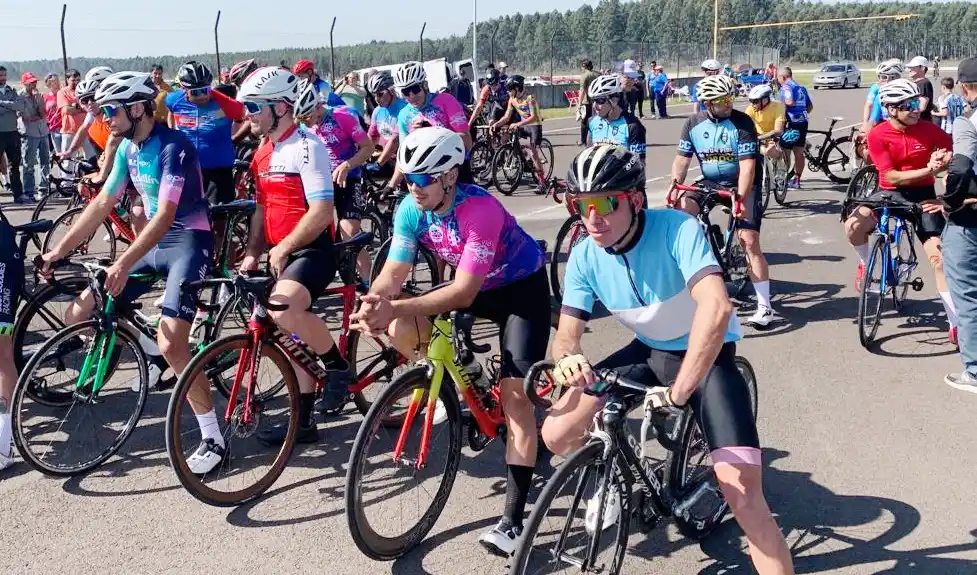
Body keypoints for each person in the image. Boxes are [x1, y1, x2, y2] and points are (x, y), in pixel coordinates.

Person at [545, 143, 795, 575]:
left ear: (636, 200)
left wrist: (679, 394)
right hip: (649, 349)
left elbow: (716, 310)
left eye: (606, 202)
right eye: (580, 205)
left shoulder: (677, 229)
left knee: (743, 498)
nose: (592, 217)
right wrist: (568, 360)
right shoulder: (585, 253)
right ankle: (610, 476)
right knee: (557, 431)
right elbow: (567, 336)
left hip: (706, 357)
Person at [351, 126, 549, 555]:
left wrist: (398, 306)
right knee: (402, 327)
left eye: (422, 180)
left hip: (519, 291)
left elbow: (463, 293)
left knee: (515, 400)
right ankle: (465, 382)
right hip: (471, 287)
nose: (413, 187)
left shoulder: (481, 210)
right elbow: (395, 272)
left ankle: (513, 524)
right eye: (408, 177)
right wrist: (376, 301)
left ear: (450, 176)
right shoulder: (411, 207)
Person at [39, 71, 225, 474]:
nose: (105, 118)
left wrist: (122, 261)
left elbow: (164, 216)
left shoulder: (173, 148)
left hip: (188, 244)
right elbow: (102, 204)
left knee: (176, 342)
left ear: (137, 108)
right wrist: (58, 251)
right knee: (90, 303)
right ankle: (150, 349)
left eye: (111, 109)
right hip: (158, 244)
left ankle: (213, 435)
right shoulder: (125, 148)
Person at [235, 66, 353, 434]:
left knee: (284, 308)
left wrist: (285, 246)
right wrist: (253, 252)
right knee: (288, 335)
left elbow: (320, 212)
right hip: (277, 252)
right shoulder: (262, 153)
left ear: (282, 107)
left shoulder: (308, 146)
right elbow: (260, 210)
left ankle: (337, 368)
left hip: (312, 251)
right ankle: (302, 421)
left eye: (255, 106)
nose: (248, 114)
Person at [844, 79, 956, 342]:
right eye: (910, 105)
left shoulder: (930, 130)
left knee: (939, 258)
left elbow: (952, 149)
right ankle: (866, 261)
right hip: (889, 191)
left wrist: (945, 159)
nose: (917, 109)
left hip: (922, 194)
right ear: (892, 109)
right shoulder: (878, 134)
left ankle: (955, 324)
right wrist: (930, 169)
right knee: (852, 226)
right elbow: (892, 177)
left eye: (918, 103)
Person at [671, 74, 782, 327]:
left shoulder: (742, 123)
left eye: (731, 97)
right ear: (708, 103)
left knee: (749, 241)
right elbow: (682, 160)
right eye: (722, 100)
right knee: (681, 214)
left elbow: (747, 168)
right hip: (710, 181)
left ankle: (765, 307)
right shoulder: (692, 124)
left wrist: (740, 199)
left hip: (742, 182)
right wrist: (675, 186)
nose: (729, 103)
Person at [294, 79, 375, 284]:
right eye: (300, 118)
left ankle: (371, 284)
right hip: (322, 184)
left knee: (349, 234)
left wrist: (347, 165)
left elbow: (368, 148)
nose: (304, 122)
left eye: (306, 116)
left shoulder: (343, 116)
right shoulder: (303, 126)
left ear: (317, 106)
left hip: (349, 180)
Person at [941, 58, 977, 390]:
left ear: (965, 88)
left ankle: (974, 371)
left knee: (967, 294)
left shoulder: (968, 120)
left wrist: (949, 203)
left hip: (970, 218)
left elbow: (963, 167)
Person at [166, 61, 247, 205]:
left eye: (205, 90)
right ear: (184, 89)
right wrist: (172, 133)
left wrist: (234, 138)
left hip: (219, 170)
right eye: (196, 92)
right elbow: (171, 112)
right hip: (189, 169)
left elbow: (243, 115)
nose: (202, 96)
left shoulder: (223, 102)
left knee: (218, 217)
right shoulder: (174, 100)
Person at [389, 61, 472, 188]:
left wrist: (433, 133)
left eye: (415, 89)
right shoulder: (404, 115)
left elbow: (467, 141)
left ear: (425, 85)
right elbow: (403, 156)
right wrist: (391, 185)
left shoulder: (446, 101)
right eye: (406, 92)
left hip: (455, 169)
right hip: (427, 177)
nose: (411, 96)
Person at [490, 75, 546, 187]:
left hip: (535, 125)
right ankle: (518, 154)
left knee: (534, 153)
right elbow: (506, 117)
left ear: (517, 88)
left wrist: (518, 124)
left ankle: (542, 182)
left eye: (510, 90)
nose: (508, 92)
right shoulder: (512, 99)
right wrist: (496, 124)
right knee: (506, 132)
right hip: (524, 125)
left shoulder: (530, 98)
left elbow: (533, 117)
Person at [585, 75, 646, 163]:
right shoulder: (592, 122)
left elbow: (639, 164)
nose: (594, 106)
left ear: (614, 100)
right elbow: (588, 155)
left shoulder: (633, 126)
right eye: (592, 100)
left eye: (600, 100)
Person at [779, 67, 813, 189]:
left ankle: (783, 179)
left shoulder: (787, 86)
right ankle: (797, 180)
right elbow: (810, 106)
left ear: (783, 77)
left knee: (785, 151)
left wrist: (783, 107)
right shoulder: (801, 88)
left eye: (779, 78)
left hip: (791, 122)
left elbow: (789, 101)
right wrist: (802, 114)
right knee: (799, 152)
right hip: (803, 122)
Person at [367, 72, 407, 177]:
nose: (376, 99)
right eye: (374, 95)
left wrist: (378, 164)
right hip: (388, 160)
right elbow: (372, 137)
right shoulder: (377, 111)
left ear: (391, 90)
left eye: (380, 94)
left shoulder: (404, 109)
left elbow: (395, 141)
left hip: (406, 159)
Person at [745, 83, 787, 182]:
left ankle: (781, 164)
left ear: (764, 100)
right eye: (751, 101)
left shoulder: (778, 106)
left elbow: (778, 130)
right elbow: (744, 126)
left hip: (774, 136)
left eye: (755, 101)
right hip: (759, 137)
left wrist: (760, 138)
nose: (752, 104)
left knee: (769, 150)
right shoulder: (751, 109)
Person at [19, 72, 49, 202]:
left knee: (45, 162)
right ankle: (29, 191)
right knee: (29, 163)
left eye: (35, 82)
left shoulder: (39, 95)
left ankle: (43, 189)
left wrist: (39, 101)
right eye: (31, 82)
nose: (34, 84)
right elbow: (26, 117)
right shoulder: (20, 96)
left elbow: (43, 114)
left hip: (43, 131)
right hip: (30, 133)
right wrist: (35, 117)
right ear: (25, 83)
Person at [0, 66, 27, 204]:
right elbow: (14, 106)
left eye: (4, 75)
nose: (3, 78)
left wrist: (3, 104)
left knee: (15, 165)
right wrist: (11, 106)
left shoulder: (12, 90)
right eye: (0, 75)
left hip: (12, 133)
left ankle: (18, 195)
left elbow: (20, 107)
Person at [57, 69, 90, 157]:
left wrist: (76, 107)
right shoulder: (62, 92)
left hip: (86, 130)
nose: (76, 82)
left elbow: (90, 108)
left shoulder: (84, 91)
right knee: (67, 160)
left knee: (91, 157)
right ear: (67, 80)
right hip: (69, 131)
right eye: (73, 80)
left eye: (78, 80)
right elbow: (67, 110)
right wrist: (82, 108)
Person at [43, 74, 63, 172]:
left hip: (65, 128)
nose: (57, 83)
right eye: (54, 81)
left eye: (58, 80)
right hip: (53, 129)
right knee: (59, 154)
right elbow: (43, 112)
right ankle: (62, 177)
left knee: (68, 154)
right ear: (49, 84)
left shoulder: (63, 94)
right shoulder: (46, 97)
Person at [576, 59, 599, 146]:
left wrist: (579, 103)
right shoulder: (596, 74)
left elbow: (582, 91)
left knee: (584, 121)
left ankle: (583, 140)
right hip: (596, 100)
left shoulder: (584, 76)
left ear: (584, 66)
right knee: (595, 119)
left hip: (586, 101)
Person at [908, 56, 935, 123]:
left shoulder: (923, 83)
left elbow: (922, 107)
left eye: (913, 67)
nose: (910, 69)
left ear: (922, 68)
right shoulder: (917, 83)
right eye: (910, 67)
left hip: (921, 122)